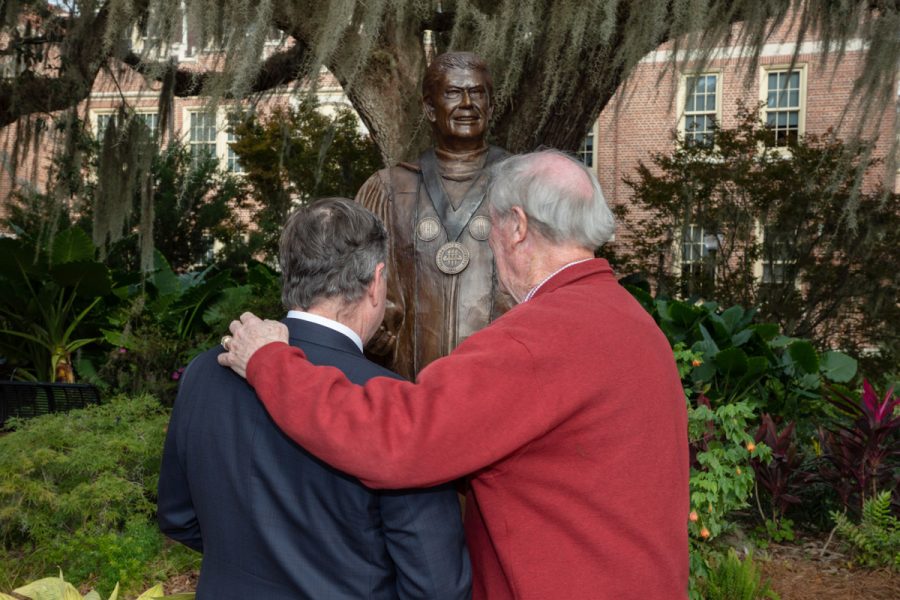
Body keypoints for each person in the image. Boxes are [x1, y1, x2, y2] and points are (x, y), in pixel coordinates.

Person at [218, 151, 690, 599]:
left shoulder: (536, 340)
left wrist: (270, 362)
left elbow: (398, 440)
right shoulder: (634, 324)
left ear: (518, 227)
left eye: (491, 229)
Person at [157, 198, 471, 600]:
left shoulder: (203, 373)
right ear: (376, 282)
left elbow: (178, 516)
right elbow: (436, 584)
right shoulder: (394, 402)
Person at [356, 51, 512, 380]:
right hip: (408, 388)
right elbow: (356, 280)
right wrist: (377, 323)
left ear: (491, 107)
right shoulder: (389, 188)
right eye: (454, 93)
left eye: (478, 93)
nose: (467, 103)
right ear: (429, 108)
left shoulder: (524, 184)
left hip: (502, 387)